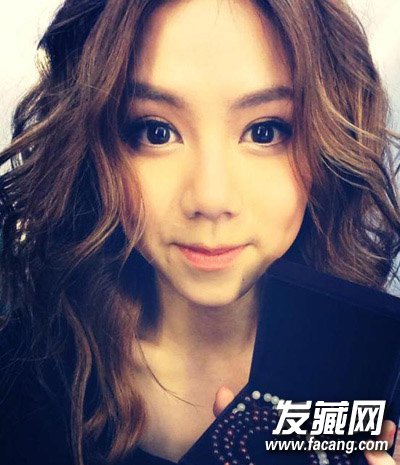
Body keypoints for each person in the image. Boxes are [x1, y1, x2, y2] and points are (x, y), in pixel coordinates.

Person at [0, 0, 399, 464]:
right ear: (96, 150)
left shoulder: (380, 384)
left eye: (265, 131)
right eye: (156, 132)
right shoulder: (20, 377)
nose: (211, 199)